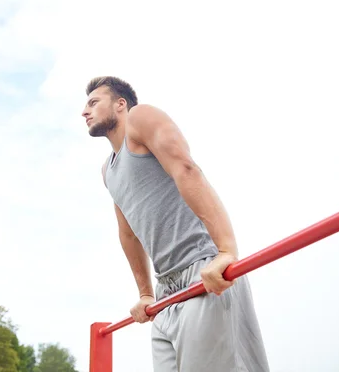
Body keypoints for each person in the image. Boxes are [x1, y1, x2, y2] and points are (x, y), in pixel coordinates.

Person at [82, 76, 270, 372]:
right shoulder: (108, 170)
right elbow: (128, 233)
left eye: (93, 102)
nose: (85, 111)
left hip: (203, 271)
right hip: (166, 292)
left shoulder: (140, 118)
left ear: (120, 104)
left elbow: (186, 169)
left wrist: (225, 252)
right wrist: (145, 293)